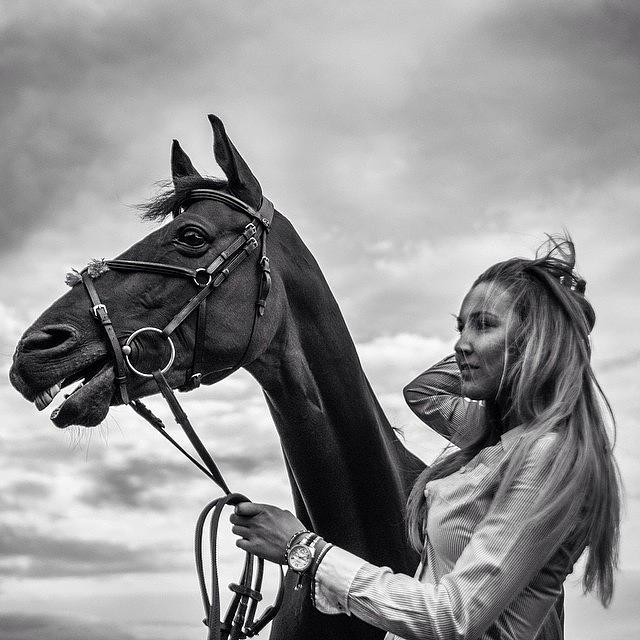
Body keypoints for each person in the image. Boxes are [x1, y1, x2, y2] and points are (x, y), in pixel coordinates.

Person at [229, 237, 621, 640]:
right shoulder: (495, 438)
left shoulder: (548, 452)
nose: (460, 343)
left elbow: (453, 617)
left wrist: (305, 550)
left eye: (484, 324)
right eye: (461, 325)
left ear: (537, 339)